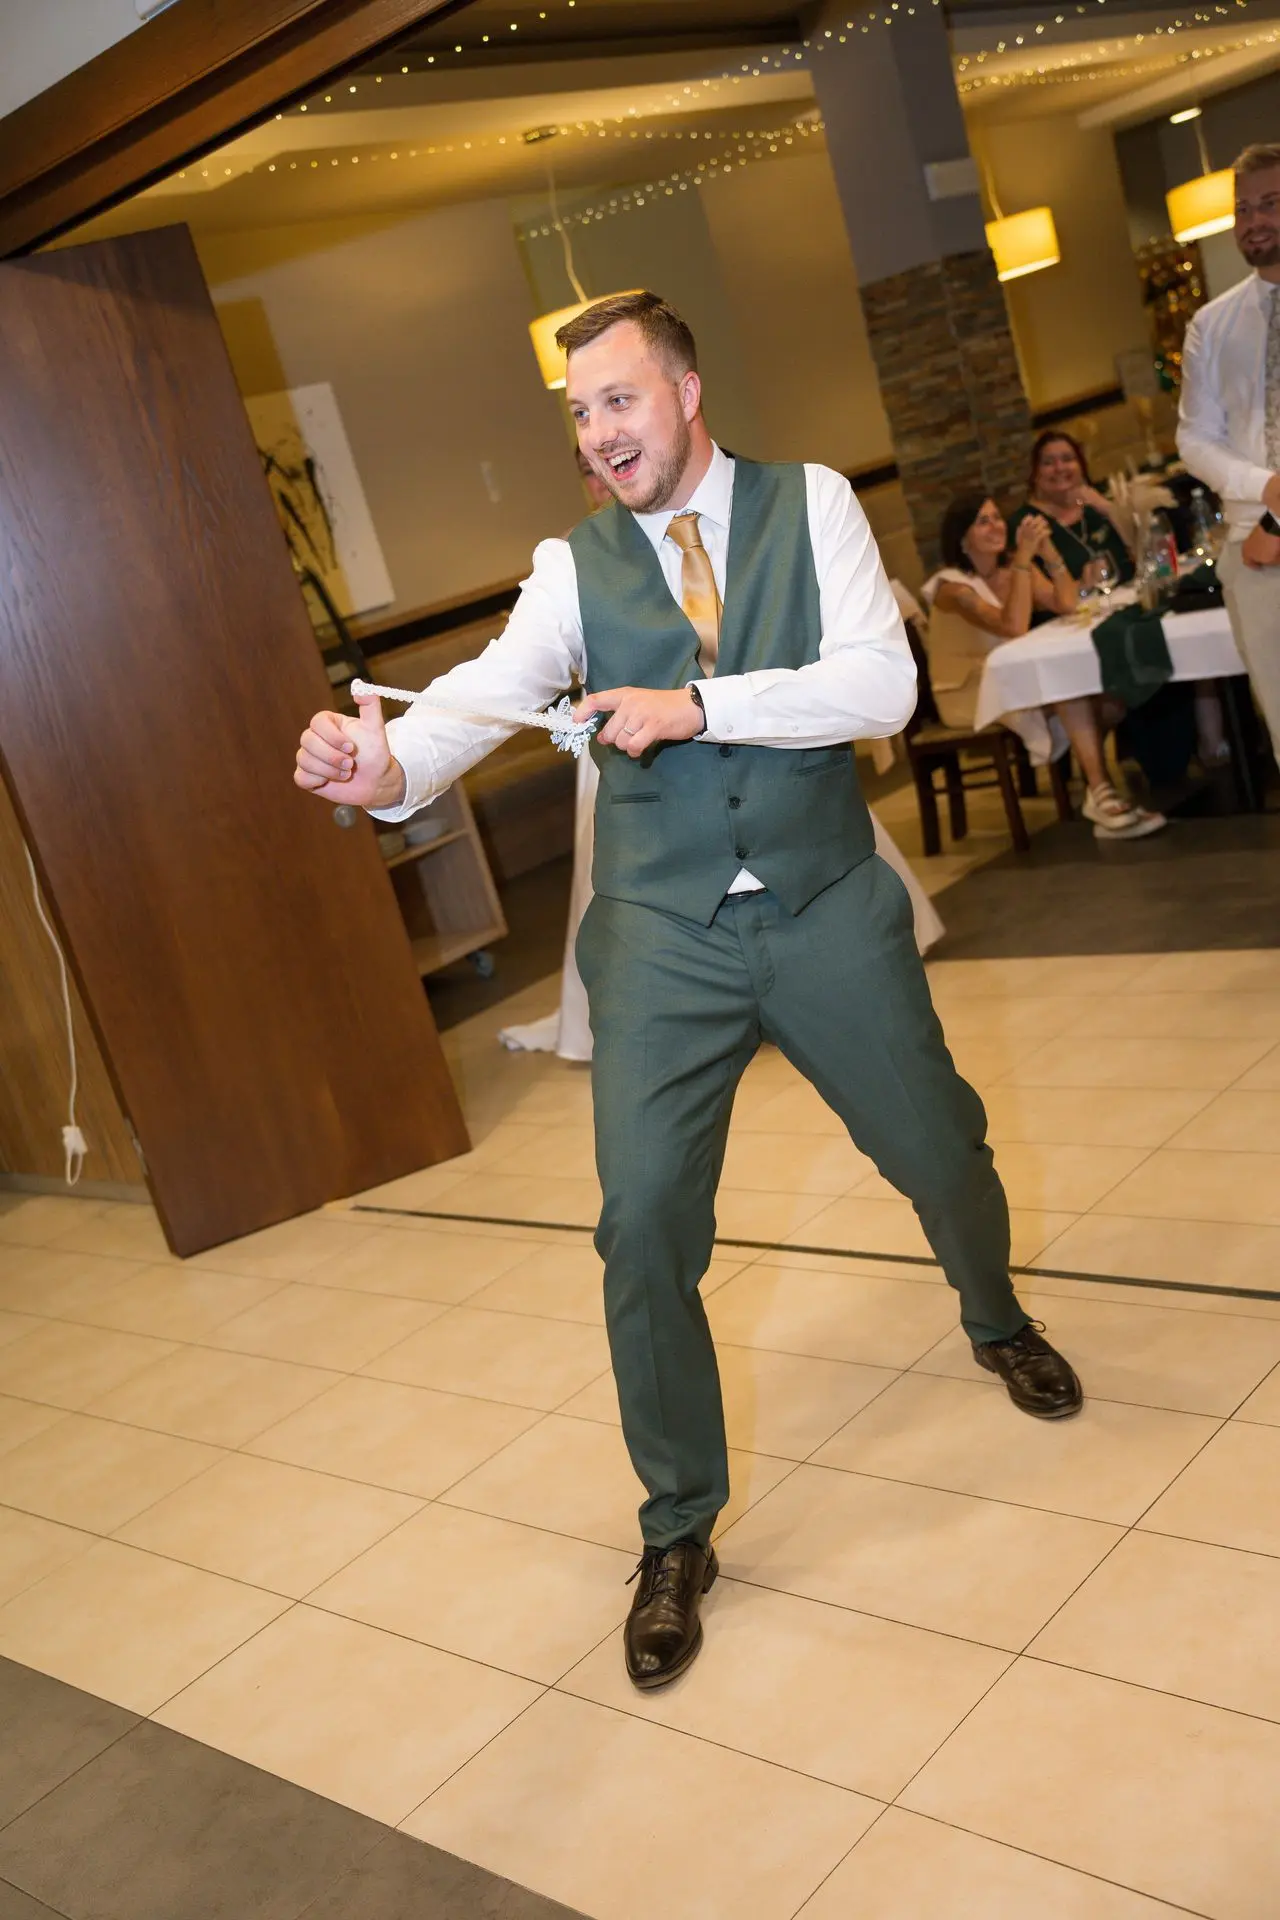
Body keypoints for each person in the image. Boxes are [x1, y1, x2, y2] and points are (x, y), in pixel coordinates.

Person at [294, 292, 1082, 1692]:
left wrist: (697, 707)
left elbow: (880, 690)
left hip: (824, 903)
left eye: (620, 400)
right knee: (644, 1223)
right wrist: (391, 771)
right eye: (579, 413)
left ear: (686, 391)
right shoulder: (573, 566)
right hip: (662, 934)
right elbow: (487, 690)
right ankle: (675, 1530)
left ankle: (996, 1317)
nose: (599, 433)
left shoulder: (812, 502)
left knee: (939, 1149)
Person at [925, 494, 1167, 840]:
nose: (996, 526)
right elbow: (1013, 626)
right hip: (969, 690)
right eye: (983, 521)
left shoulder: (1012, 570)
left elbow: (1066, 604)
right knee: (1066, 687)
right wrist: (1025, 558)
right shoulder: (951, 588)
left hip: (1009, 676)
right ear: (962, 539)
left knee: (1112, 701)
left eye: (997, 518)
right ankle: (1101, 792)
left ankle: (1097, 789)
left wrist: (1049, 552)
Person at [1178, 140, 1280, 766]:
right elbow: (1194, 438)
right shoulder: (1212, 326)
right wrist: (1265, 488)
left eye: (1270, 203)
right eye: (1243, 209)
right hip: (1255, 557)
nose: (1254, 220)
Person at [1008, 430, 1134, 590]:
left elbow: (1141, 551)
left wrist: (1108, 509)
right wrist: (1081, 587)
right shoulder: (1026, 524)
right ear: (1035, 474)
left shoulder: (1098, 502)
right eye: (1048, 463)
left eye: (1067, 459)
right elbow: (1033, 596)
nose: (1059, 468)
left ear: (1081, 466)